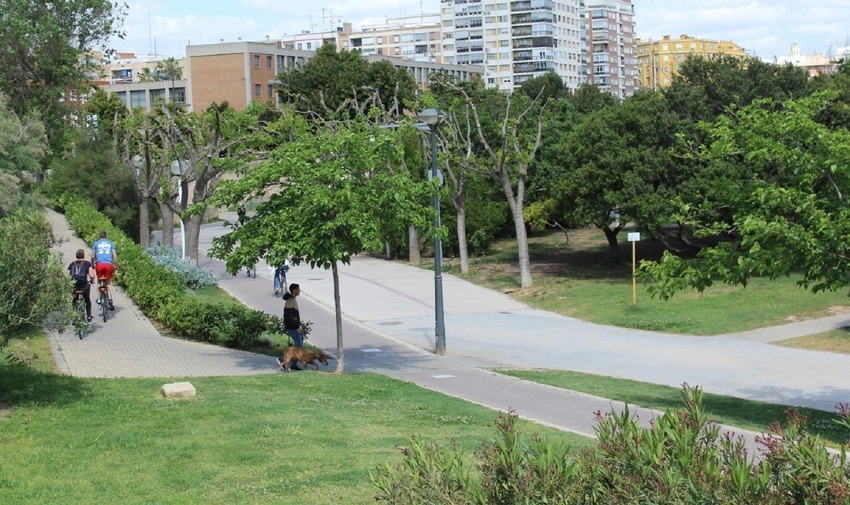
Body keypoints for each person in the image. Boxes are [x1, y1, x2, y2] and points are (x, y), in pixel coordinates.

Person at [278, 283, 304, 371]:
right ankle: (282, 359)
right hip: (292, 327)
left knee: (298, 345)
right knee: (299, 346)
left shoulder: (292, 299)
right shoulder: (290, 301)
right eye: (298, 289)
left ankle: (293, 364)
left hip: (294, 327)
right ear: (294, 290)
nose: (299, 291)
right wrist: (296, 327)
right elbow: (290, 316)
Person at [91, 230, 117, 310]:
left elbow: (92, 256)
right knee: (108, 283)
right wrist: (116, 265)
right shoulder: (111, 244)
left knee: (99, 282)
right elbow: (115, 256)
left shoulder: (96, 244)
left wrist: (92, 264)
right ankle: (110, 300)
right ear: (106, 236)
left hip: (100, 265)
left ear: (99, 236)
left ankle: (99, 299)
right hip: (109, 265)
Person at [68, 248, 96, 323]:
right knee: (87, 300)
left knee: (74, 300)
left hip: (74, 285)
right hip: (84, 286)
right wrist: (92, 281)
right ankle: (89, 317)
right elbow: (91, 275)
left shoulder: (72, 264)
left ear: (76, 255)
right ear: (84, 255)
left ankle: (74, 317)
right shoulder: (87, 263)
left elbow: (69, 275)